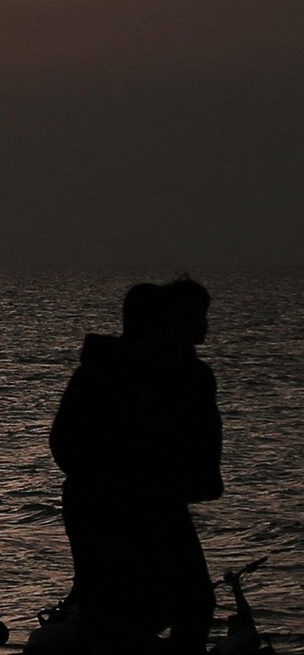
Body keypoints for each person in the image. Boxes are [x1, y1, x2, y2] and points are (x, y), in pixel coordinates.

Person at [51, 282, 169, 646]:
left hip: (109, 500)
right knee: (111, 600)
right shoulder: (111, 374)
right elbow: (64, 441)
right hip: (102, 502)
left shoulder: (140, 373)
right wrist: (105, 477)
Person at [152, 277, 222, 655]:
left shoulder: (140, 368)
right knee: (195, 602)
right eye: (198, 316)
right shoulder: (187, 374)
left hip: (144, 501)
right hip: (159, 503)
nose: (204, 324)